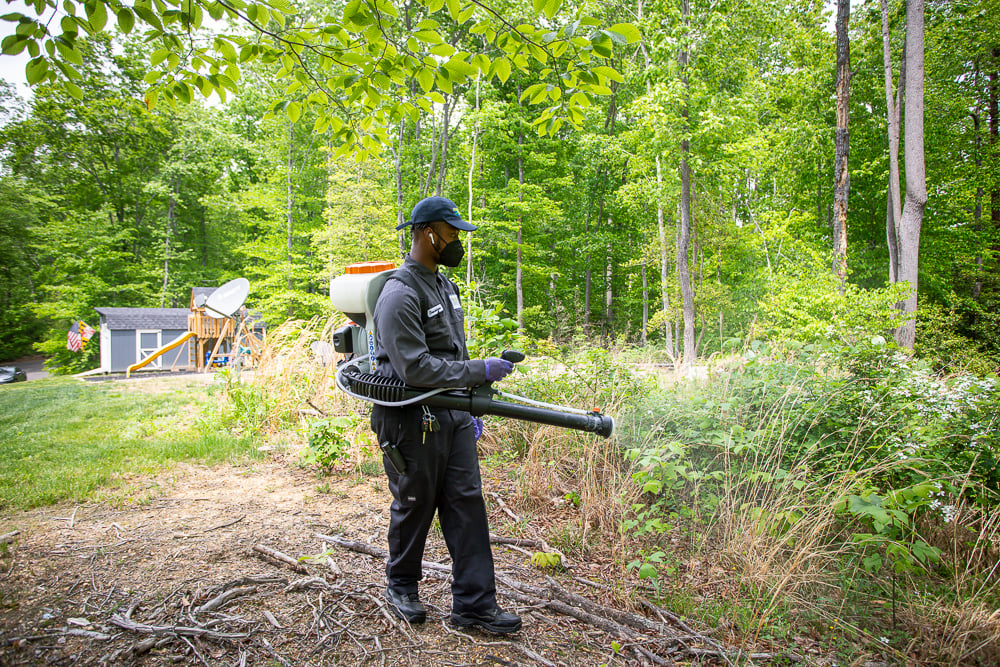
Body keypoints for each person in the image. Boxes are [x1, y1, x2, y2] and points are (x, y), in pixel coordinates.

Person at [369, 195, 522, 634]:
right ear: (425, 233)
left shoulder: (444, 285)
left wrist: (473, 395)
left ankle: (474, 606)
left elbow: (454, 350)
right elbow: (414, 368)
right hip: (410, 419)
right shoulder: (399, 294)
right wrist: (479, 370)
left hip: (452, 415)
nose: (457, 239)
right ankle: (401, 586)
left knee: (466, 506)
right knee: (414, 504)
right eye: (451, 231)